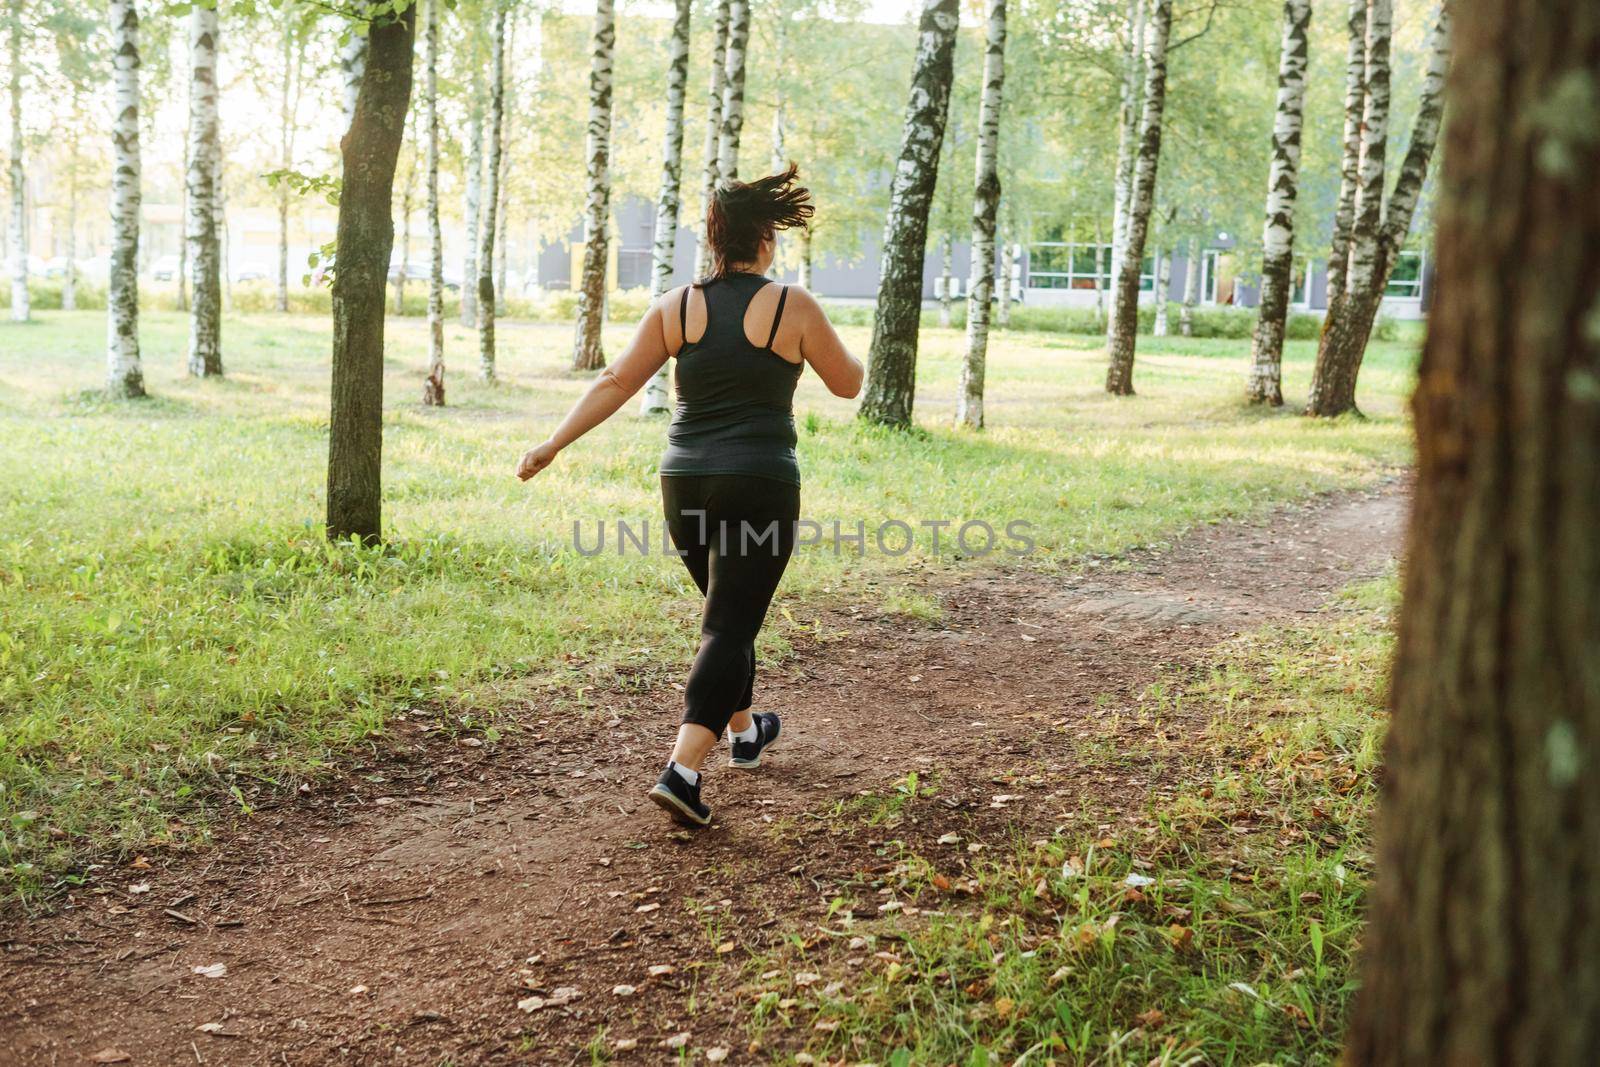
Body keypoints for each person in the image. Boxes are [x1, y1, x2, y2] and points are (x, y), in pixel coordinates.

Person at [516, 166, 864, 827]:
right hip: (757, 481)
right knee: (729, 623)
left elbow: (617, 380)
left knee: (729, 609)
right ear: (766, 236)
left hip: (684, 482)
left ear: (713, 238)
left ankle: (746, 732)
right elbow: (847, 384)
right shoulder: (793, 305)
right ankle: (681, 770)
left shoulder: (676, 306)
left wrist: (552, 443)